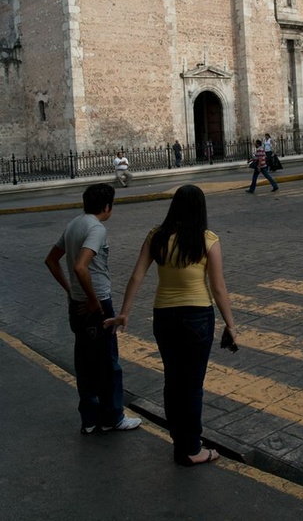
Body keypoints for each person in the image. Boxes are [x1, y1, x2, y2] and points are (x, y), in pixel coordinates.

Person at [104, 184, 237, 466]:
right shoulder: (207, 239)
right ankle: (192, 448)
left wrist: (125, 312)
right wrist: (231, 324)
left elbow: (137, 276)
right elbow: (218, 288)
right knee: (193, 386)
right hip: (198, 317)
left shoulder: (157, 236)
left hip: (164, 317)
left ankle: (181, 443)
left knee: (173, 381)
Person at [43, 183, 141, 434]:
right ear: (107, 206)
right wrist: (94, 300)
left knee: (85, 362)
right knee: (108, 362)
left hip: (77, 303)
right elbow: (80, 266)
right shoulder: (97, 228)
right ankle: (113, 417)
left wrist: (70, 290)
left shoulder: (74, 224)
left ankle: (89, 418)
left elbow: (52, 260)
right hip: (96, 304)